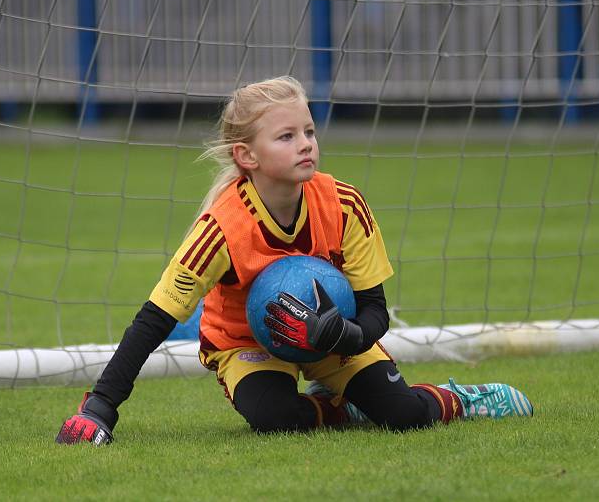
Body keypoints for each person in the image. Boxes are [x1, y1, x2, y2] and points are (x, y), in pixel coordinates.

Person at [55, 76, 533, 445]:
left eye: (309, 130)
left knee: (404, 416)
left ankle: (461, 399)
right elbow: (154, 321)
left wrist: (347, 335)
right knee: (276, 420)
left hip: (334, 333)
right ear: (247, 155)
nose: (306, 143)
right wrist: (99, 408)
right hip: (245, 342)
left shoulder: (344, 204)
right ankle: (341, 407)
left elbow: (375, 310)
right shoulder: (221, 229)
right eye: (286, 136)